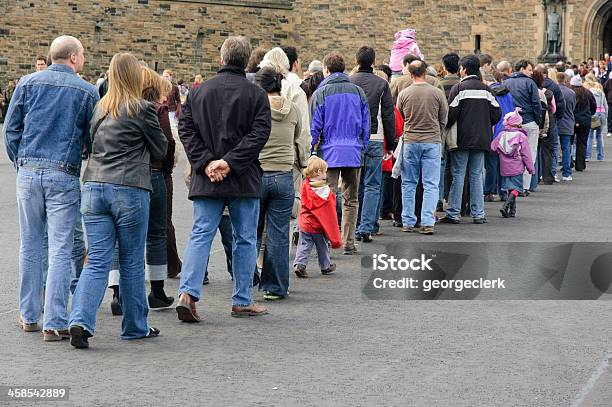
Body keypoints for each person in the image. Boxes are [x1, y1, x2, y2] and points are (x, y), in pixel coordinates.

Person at [69, 52, 168, 348]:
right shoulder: (142, 108)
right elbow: (160, 149)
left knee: (97, 260)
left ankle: (80, 320)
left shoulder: (100, 107)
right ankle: (135, 325)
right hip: (129, 188)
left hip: (94, 186)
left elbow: (92, 143)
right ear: (135, 76)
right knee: (132, 260)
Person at [3, 36, 98, 341]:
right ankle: (54, 320)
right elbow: (93, 137)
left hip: (29, 172)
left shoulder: (27, 83)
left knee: (30, 245)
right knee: (60, 247)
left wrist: (21, 162)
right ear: (73, 58)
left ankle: (29, 314)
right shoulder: (86, 91)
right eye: (82, 54)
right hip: (63, 172)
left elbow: (11, 128)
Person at [176, 36, 271, 322]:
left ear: (221, 59)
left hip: (207, 177)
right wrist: (229, 162)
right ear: (246, 61)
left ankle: (188, 293)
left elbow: (186, 130)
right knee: (245, 238)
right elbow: (259, 134)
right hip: (243, 176)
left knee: (200, 233)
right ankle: (242, 299)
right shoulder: (256, 94)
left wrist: (206, 162)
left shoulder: (198, 91)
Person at [310, 52, 370, 255]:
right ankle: (349, 241)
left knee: (326, 197)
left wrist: (311, 151)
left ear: (326, 70)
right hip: (353, 152)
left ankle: (327, 239)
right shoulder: (358, 92)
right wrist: (363, 146)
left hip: (329, 152)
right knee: (351, 199)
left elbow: (314, 126)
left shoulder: (322, 93)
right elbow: (365, 125)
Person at [253, 67, 303, 300]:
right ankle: (276, 287)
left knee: (250, 231)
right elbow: (298, 138)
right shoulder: (291, 109)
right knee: (279, 234)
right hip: (283, 175)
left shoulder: (254, 109)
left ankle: (246, 279)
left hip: (257, 174)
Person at [259, 48, 310, 245]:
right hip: (289, 162)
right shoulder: (296, 90)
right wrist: (303, 161)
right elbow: (303, 131)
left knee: (257, 220)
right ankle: (278, 268)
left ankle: (258, 265)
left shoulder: (257, 90)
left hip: (261, 160)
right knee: (283, 222)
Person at [442, 54, 501, 224]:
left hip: (462, 139)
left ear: (464, 69)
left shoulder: (459, 89)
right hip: (482, 139)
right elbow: (497, 113)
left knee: (458, 175)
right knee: (476, 175)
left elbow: (451, 115)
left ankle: (454, 213)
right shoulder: (486, 89)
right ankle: (478, 213)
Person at [396, 60, 448, 235]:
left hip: (410, 140)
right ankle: (427, 221)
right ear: (425, 73)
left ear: (410, 74)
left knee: (409, 183)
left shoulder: (404, 94)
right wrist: (437, 131)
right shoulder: (437, 93)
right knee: (431, 184)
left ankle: (408, 221)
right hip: (432, 141)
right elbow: (443, 118)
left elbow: (399, 117)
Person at [350, 46, 395, 243]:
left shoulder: (350, 82)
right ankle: (366, 226)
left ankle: (355, 222)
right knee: (373, 185)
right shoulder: (381, 83)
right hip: (376, 138)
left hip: (353, 138)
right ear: (373, 62)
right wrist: (391, 143)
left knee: (353, 184)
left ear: (357, 61)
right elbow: (388, 114)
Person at [293, 156, 342, 278]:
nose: (326, 173)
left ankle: (300, 264)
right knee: (322, 246)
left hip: (305, 223)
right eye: (325, 171)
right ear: (319, 172)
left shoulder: (304, 186)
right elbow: (330, 208)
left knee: (304, 245)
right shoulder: (325, 191)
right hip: (319, 225)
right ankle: (325, 266)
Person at [503, 60, 542, 194]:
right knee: (529, 153)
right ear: (522, 69)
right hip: (529, 121)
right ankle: (524, 186)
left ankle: (511, 185)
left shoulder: (506, 82)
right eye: (529, 70)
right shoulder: (530, 83)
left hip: (512, 123)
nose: (531, 73)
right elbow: (536, 104)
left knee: (511, 154)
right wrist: (538, 121)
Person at [492, 109, 535, 218]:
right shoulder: (521, 137)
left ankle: (512, 211)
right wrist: (531, 168)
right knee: (516, 189)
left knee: (510, 188)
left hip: (504, 167)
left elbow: (493, 147)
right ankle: (506, 206)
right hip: (517, 166)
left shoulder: (502, 134)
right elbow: (526, 154)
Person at [485, 71, 516, 201]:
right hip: (507, 131)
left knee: (491, 163)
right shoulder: (508, 93)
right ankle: (503, 190)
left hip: (494, 131)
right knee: (503, 163)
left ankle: (489, 191)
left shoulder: (490, 93)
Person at [570, 76, 597, 172]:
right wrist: (589, 114)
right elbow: (594, 106)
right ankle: (580, 165)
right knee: (582, 143)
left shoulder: (571, 93)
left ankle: (568, 162)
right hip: (585, 121)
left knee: (569, 142)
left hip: (572, 121)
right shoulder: (588, 93)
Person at [556, 73, 577, 181]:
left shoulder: (554, 91)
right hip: (568, 122)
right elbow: (573, 107)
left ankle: (553, 172)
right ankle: (566, 173)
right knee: (566, 148)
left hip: (556, 122)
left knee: (554, 148)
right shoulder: (571, 93)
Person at [584, 73, 607, 161]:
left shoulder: (590, 93)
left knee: (590, 136)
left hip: (594, 114)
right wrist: (605, 116)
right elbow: (605, 106)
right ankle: (600, 156)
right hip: (601, 113)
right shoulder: (601, 93)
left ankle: (588, 156)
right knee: (599, 135)